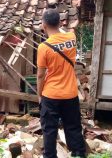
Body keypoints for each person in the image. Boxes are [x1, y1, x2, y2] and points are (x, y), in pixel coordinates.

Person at [37, 9, 86, 158]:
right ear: (60, 22)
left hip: (50, 95)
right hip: (70, 94)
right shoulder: (71, 38)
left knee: (49, 130)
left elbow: (40, 75)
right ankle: (78, 154)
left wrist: (40, 96)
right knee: (73, 127)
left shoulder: (43, 47)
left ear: (44, 25)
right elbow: (67, 31)